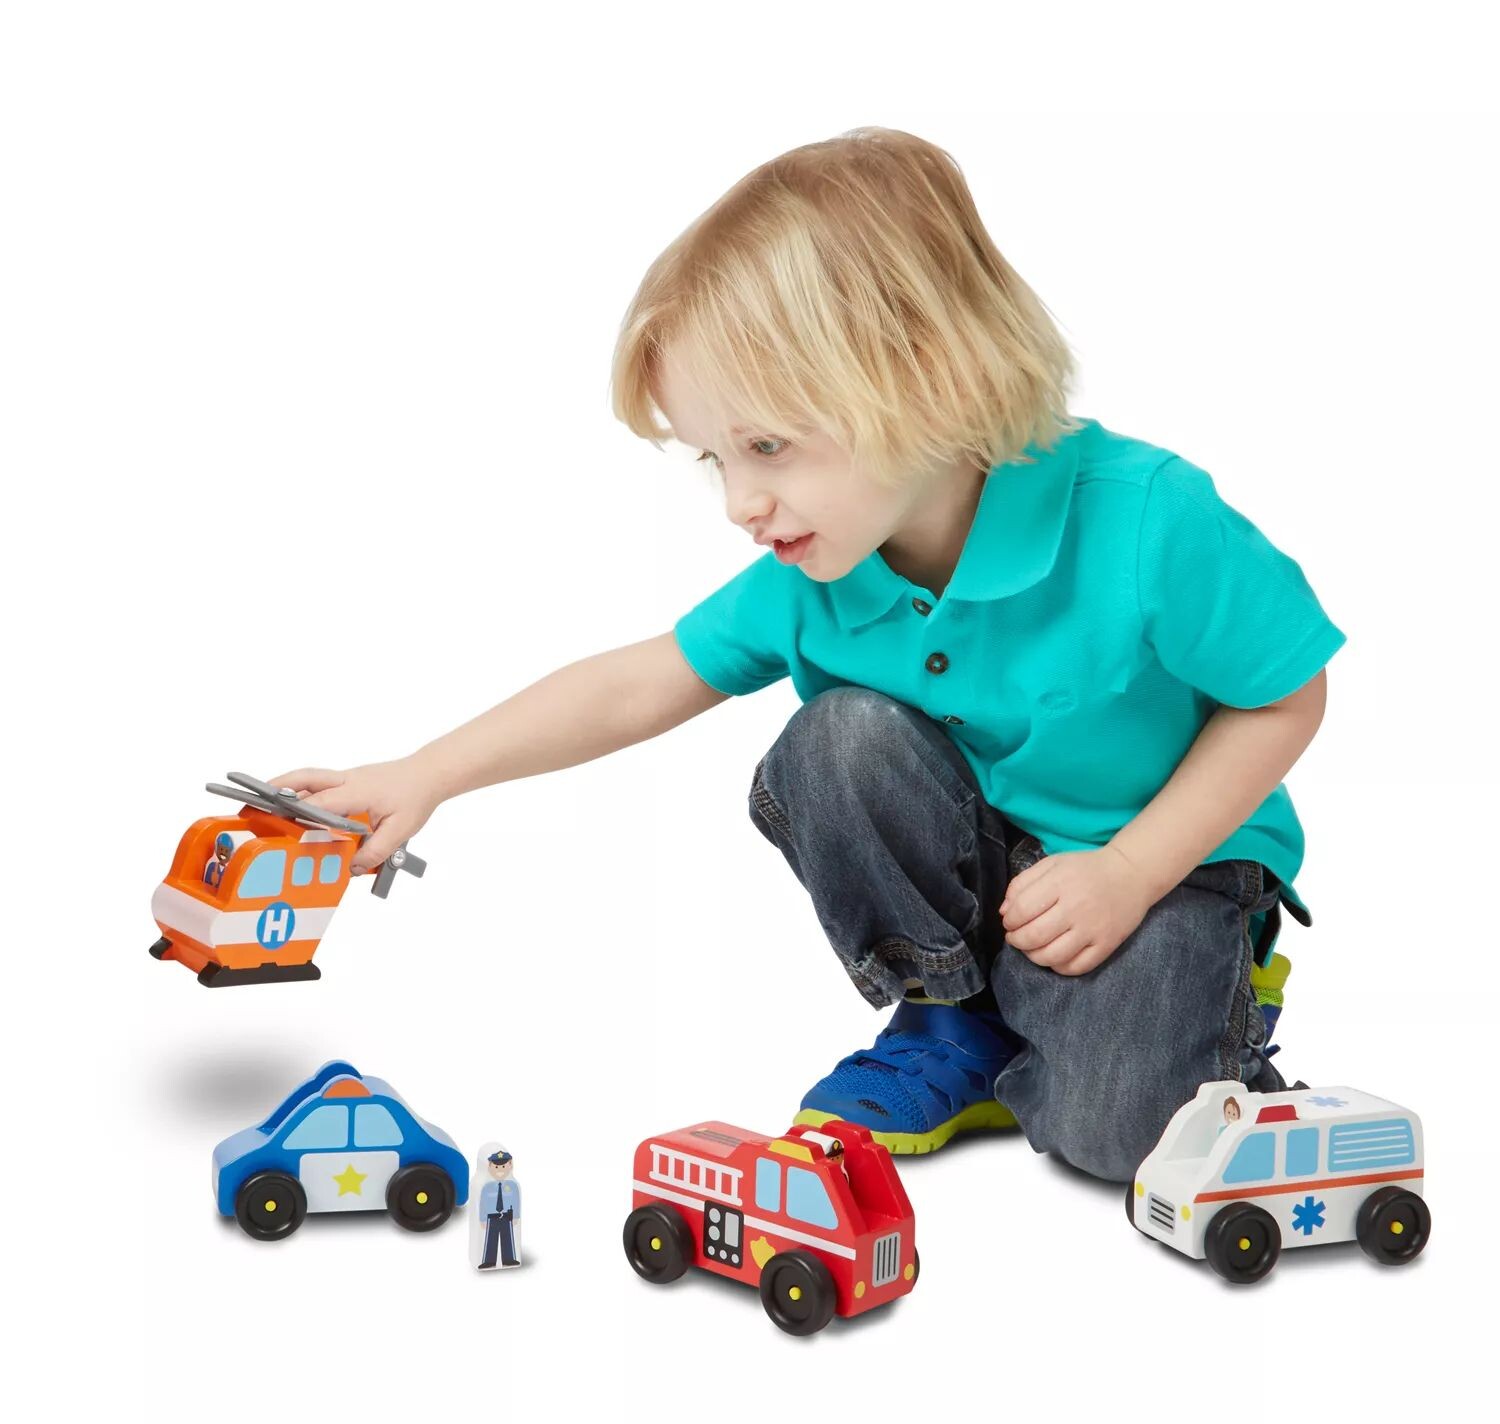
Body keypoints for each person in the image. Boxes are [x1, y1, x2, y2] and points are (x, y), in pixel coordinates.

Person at [272, 127, 1343, 1185]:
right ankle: (956, 1020)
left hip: (1167, 867)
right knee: (841, 739)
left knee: (1122, 1143)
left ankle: (1203, 1018)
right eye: (716, 458)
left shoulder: (1146, 519)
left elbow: (1285, 700)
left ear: (929, 379)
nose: (741, 501)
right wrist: (425, 775)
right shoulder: (823, 569)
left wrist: (1130, 871)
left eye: (769, 447)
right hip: (995, 875)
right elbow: (636, 683)